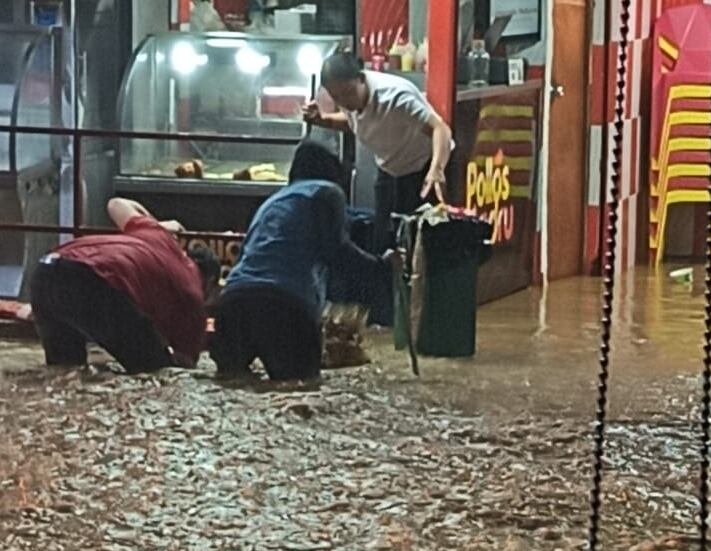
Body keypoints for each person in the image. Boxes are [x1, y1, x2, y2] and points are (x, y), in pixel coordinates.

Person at [209, 140, 398, 382]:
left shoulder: (272, 202)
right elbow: (337, 252)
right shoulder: (326, 191)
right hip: (284, 306)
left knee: (230, 386)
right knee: (301, 392)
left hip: (234, 304)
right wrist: (382, 266)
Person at [29, 198, 219, 373]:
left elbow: (115, 204)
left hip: (46, 269)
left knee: (66, 371)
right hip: (92, 279)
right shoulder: (194, 294)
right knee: (157, 371)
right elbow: (186, 365)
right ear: (209, 282)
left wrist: (157, 223)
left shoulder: (157, 235)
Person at [304, 52, 454, 252]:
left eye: (347, 93)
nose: (344, 101)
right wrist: (324, 120)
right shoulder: (350, 97)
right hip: (389, 168)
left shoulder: (395, 97)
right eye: (336, 96)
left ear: (362, 79)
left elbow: (440, 129)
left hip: (424, 169)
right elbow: (357, 121)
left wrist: (437, 169)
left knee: (421, 247)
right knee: (383, 243)